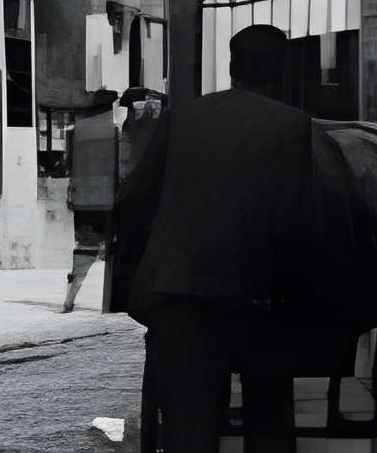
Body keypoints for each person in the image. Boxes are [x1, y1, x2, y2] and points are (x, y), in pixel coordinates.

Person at [110, 25, 321, 453]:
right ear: (281, 73)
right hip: (254, 297)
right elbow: (294, 217)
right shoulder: (291, 126)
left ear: (230, 67)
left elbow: (134, 199)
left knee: (190, 428)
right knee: (268, 417)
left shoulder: (183, 117)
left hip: (180, 293)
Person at [63, 88, 124, 311]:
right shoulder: (116, 132)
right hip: (109, 201)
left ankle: (69, 300)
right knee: (115, 253)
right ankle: (110, 304)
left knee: (82, 251)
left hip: (85, 202)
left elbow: (69, 167)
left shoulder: (77, 132)